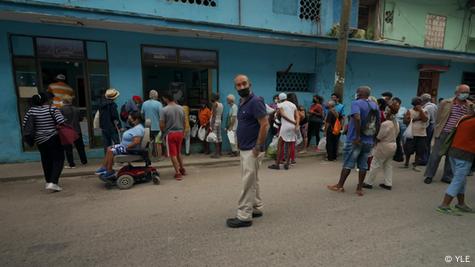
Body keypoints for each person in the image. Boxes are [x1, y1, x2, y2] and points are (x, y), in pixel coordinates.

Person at [226, 74, 269, 228]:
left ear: (250, 84)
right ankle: (256, 207)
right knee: (253, 179)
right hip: (245, 148)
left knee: (247, 182)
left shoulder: (255, 101)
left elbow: (265, 124)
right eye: (238, 85)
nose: (242, 86)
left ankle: (244, 216)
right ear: (236, 87)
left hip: (253, 149)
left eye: (244, 83)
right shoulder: (243, 102)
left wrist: (257, 146)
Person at [327, 86, 380, 196]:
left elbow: (357, 117)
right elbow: (378, 122)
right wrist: (375, 138)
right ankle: (359, 188)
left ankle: (340, 186)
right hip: (369, 140)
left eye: (357, 91)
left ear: (359, 93)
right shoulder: (374, 105)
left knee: (348, 163)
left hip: (355, 139)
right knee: (363, 164)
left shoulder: (356, 103)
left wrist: (357, 136)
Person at [424, 84, 475, 184]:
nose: (465, 94)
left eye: (467, 92)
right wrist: (438, 130)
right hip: (444, 132)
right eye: (463, 92)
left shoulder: (470, 105)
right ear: (456, 93)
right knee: (435, 155)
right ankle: (429, 175)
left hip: (458, 135)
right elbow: (438, 117)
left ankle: (447, 176)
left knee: (451, 156)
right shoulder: (445, 102)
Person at [23, 92, 65, 192]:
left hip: (40, 140)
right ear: (46, 100)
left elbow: (25, 124)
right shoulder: (52, 109)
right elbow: (61, 121)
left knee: (46, 160)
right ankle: (53, 182)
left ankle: (48, 181)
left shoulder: (31, 111)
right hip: (53, 138)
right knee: (58, 159)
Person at [436, 114, 475, 215]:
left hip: (453, 151)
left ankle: (461, 204)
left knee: (461, 179)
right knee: (458, 180)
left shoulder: (465, 118)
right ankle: (444, 205)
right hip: (465, 154)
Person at [363, 100, 400, 190]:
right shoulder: (396, 122)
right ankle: (388, 183)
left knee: (375, 163)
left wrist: (374, 142)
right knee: (387, 165)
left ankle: (369, 183)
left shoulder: (386, 124)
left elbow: (379, 137)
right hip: (393, 145)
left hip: (384, 146)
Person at [95, 111, 145, 180]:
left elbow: (136, 141)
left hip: (129, 149)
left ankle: (109, 170)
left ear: (136, 120)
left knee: (111, 150)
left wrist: (125, 147)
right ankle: (104, 167)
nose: (129, 121)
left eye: (130, 119)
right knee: (109, 148)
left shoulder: (138, 129)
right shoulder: (136, 127)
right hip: (124, 146)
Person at [268, 93, 298, 170]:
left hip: (285, 126)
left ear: (279, 98)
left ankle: (277, 164)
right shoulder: (293, 105)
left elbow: (283, 115)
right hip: (293, 127)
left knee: (280, 145)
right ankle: (287, 164)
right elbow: (297, 116)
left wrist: (292, 121)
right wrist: (296, 124)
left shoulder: (280, 105)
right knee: (289, 145)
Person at [160, 93, 186, 180]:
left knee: (173, 154)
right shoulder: (181, 108)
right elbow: (184, 122)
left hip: (170, 134)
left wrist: (163, 132)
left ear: (165, 99)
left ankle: (178, 173)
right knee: (178, 152)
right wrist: (183, 131)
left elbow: (162, 124)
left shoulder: (164, 110)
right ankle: (182, 169)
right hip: (180, 133)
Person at [60, 95, 87, 168]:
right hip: (77, 130)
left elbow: (59, 120)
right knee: (80, 147)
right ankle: (84, 161)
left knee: (68, 148)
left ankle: (71, 164)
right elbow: (80, 119)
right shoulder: (76, 109)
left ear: (64, 101)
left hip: (66, 131)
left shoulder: (61, 110)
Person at [403, 97, 429, 172]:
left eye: (419, 104)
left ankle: (415, 165)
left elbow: (425, 119)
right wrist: (415, 119)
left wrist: (420, 111)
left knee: (419, 150)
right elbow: (405, 121)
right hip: (411, 133)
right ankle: (406, 163)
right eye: (416, 104)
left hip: (422, 134)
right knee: (408, 149)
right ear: (413, 105)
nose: (418, 106)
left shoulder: (425, 111)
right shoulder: (409, 111)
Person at [141, 90, 163, 158]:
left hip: (147, 126)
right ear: (156, 96)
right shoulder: (159, 104)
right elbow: (161, 116)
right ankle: (159, 157)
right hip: (157, 127)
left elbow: (142, 114)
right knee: (158, 143)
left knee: (149, 142)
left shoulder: (144, 103)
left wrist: (144, 119)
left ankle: (150, 156)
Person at [420, 93, 438, 165]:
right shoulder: (434, 106)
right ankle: (427, 158)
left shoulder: (427, 107)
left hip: (428, 126)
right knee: (428, 143)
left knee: (424, 143)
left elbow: (427, 119)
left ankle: (424, 159)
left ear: (423, 100)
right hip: (433, 125)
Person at [392, 97, 406, 162]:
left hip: (402, 126)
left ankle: (403, 152)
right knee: (395, 140)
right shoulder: (391, 108)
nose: (394, 103)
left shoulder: (403, 109)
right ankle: (395, 153)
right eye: (393, 102)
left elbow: (406, 118)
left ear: (399, 103)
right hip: (393, 126)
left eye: (395, 102)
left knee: (402, 139)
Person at [210, 93, 224, 158]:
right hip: (219, 121)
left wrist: (212, 125)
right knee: (219, 137)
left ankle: (216, 154)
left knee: (215, 138)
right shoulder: (221, 104)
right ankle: (220, 152)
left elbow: (213, 115)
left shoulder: (214, 104)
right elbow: (222, 116)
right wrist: (220, 121)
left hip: (215, 122)